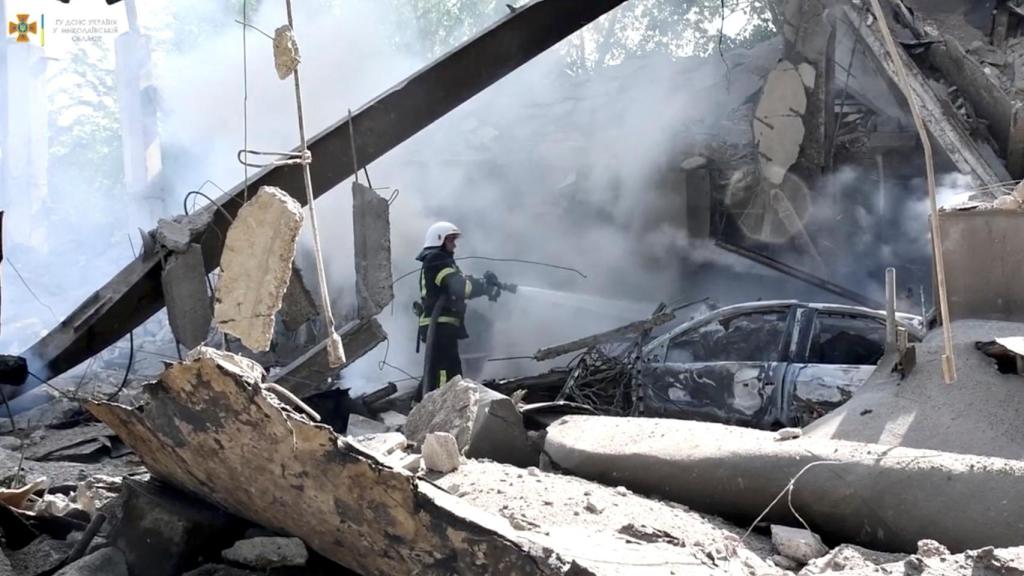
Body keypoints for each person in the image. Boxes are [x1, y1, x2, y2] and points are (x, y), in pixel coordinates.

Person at [415, 221, 495, 397]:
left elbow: (459, 284)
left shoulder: (442, 261)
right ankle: (441, 407)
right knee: (446, 371)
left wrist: (483, 284)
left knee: (437, 369)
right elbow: (461, 287)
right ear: (439, 240)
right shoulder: (436, 260)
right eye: (451, 240)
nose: (454, 244)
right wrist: (482, 285)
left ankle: (419, 407)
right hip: (440, 327)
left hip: (443, 326)